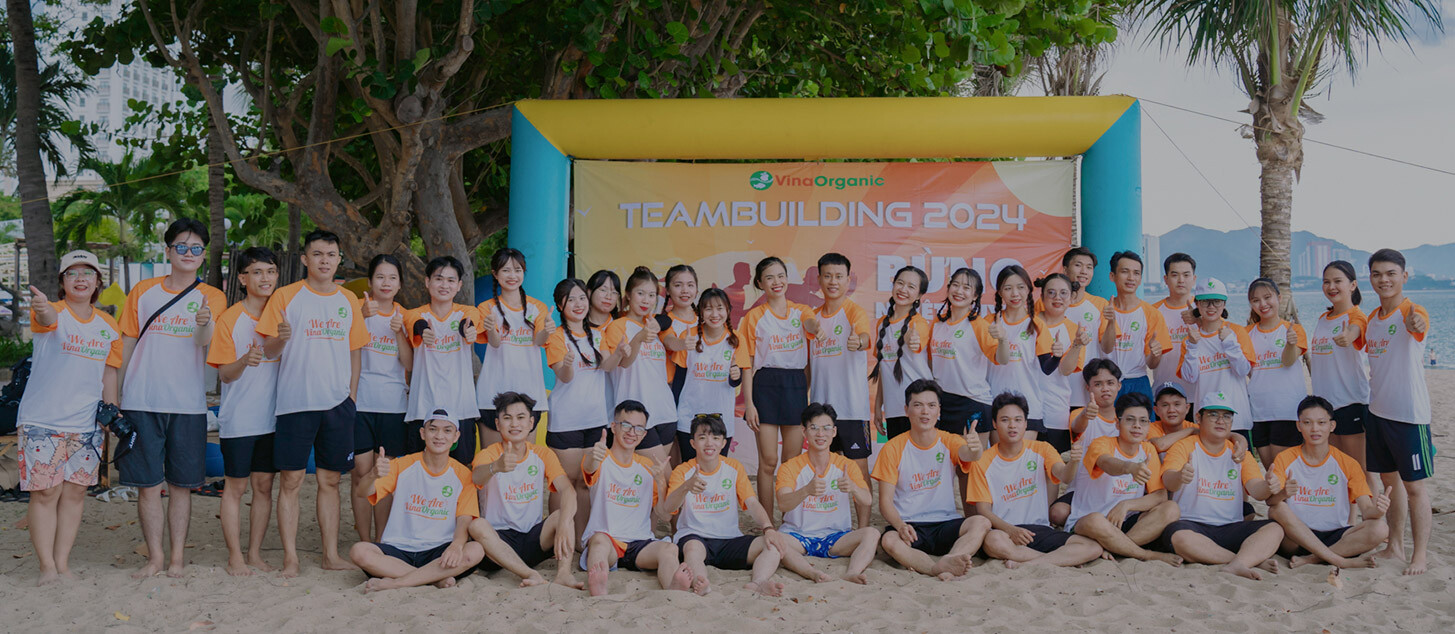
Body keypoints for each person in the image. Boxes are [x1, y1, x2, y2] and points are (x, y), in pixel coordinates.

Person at [117, 218, 228, 578]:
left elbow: (204, 343)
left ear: (203, 255)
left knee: (182, 486)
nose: (188, 253)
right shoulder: (143, 291)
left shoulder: (213, 296)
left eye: (196, 248)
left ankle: (177, 558)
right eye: (181, 246)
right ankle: (155, 558)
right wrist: (116, 396)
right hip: (141, 401)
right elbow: (127, 343)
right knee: (148, 487)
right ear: (168, 251)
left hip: (188, 405)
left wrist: (204, 322)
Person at [257, 230, 369, 576]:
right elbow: (268, 350)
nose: (324, 260)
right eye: (317, 254)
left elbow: (355, 351)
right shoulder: (286, 296)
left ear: (339, 260)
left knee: (331, 481)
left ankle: (330, 555)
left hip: (337, 404)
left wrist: (351, 397)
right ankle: (291, 558)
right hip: (295, 403)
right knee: (291, 480)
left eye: (331, 255)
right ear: (305, 259)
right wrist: (280, 339)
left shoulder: (348, 300)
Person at [19, 250, 122, 585]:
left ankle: (63, 564)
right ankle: (46, 566)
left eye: (87, 273)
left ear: (98, 282)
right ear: (62, 282)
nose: (80, 279)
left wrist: (112, 414)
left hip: (87, 424)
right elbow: (47, 317)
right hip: (43, 421)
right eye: (72, 273)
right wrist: (42, 306)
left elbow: (109, 373)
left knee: (75, 494)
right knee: (46, 493)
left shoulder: (108, 325)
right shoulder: (52, 312)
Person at [205, 247, 281, 575]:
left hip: (274, 420)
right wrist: (245, 360)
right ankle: (234, 556)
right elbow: (224, 374)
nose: (265, 278)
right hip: (240, 419)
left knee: (264, 487)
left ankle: (255, 554)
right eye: (257, 272)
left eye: (271, 271)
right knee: (236, 488)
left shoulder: (283, 315)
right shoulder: (230, 319)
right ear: (242, 278)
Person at [349, 410, 485, 591]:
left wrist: (457, 545)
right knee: (359, 551)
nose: (439, 436)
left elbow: (464, 519)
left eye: (447, 430)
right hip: (399, 549)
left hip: (439, 551)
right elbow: (361, 492)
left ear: (456, 436)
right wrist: (373, 474)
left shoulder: (463, 474)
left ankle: (398, 582)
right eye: (433, 429)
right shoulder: (402, 465)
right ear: (422, 433)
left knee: (476, 550)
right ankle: (433, 579)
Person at [662, 414, 796, 596]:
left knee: (772, 546)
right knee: (692, 550)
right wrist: (686, 486)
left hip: (729, 539)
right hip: (695, 536)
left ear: (723, 443)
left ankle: (758, 583)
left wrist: (768, 528)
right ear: (693, 443)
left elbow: (751, 502)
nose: (709, 443)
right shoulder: (682, 471)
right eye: (702, 437)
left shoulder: (734, 467)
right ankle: (701, 583)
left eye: (715, 438)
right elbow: (669, 508)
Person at [1159, 391, 1285, 580]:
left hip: (1231, 526)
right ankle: (1243, 561)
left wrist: (1269, 485)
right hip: (1192, 524)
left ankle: (1238, 561)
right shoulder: (1184, 446)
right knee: (1179, 537)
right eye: (1213, 415)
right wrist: (1180, 476)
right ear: (1198, 418)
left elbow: (1257, 491)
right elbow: (1168, 480)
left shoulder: (1239, 452)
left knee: (1275, 529)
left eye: (1227, 416)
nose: (1221, 421)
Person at [872, 380, 990, 580]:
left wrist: (976, 449)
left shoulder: (949, 440)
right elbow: (885, 502)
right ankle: (935, 569)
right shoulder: (892, 448)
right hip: (910, 525)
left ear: (939, 411)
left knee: (981, 522)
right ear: (906, 410)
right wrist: (900, 525)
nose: (925, 411)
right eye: (918, 405)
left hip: (945, 522)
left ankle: (951, 559)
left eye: (931, 405)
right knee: (889, 540)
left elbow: (968, 455)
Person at [971, 393, 1104, 568]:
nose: (1012, 425)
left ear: (1026, 423)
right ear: (995, 424)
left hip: (1039, 528)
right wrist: (1011, 530)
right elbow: (983, 510)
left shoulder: (1042, 449)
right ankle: (1056, 559)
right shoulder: (982, 461)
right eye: (1005, 420)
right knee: (993, 541)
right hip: (1004, 530)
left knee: (1092, 547)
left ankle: (1027, 562)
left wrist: (1074, 462)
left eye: (1018, 420)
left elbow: (1064, 476)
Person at [1363, 248, 1432, 575]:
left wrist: (1416, 323)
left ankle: (1420, 555)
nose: (1384, 280)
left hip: (1409, 417)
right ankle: (1395, 546)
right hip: (1378, 413)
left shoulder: (1412, 311)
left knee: (1415, 487)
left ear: (1404, 276)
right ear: (1370, 278)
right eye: (1377, 274)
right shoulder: (1372, 319)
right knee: (1390, 484)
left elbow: (1419, 325)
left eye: (1391, 273)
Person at [468, 392, 582, 589]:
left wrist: (564, 523)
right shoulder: (489, 454)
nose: (514, 424)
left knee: (563, 515)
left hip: (532, 539)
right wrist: (496, 467)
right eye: (507, 418)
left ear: (531, 423)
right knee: (477, 525)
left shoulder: (542, 454)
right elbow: (476, 477)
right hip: (498, 544)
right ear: (497, 424)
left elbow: (568, 491)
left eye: (520, 417)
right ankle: (529, 574)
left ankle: (564, 574)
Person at [580, 400, 694, 596]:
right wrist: (593, 456)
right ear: (613, 427)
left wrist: (660, 481)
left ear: (644, 434)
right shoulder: (601, 458)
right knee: (598, 542)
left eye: (639, 428)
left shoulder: (648, 466)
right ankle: (599, 587)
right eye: (626, 425)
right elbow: (589, 467)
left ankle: (674, 589)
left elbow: (664, 515)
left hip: (640, 543)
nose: (632, 432)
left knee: (669, 549)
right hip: (609, 541)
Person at [1265, 396, 1391, 569]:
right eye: (1307, 423)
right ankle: (1337, 560)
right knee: (1277, 508)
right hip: (1296, 537)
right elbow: (1271, 502)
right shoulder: (1285, 458)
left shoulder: (1348, 463)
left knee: (1380, 529)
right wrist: (1283, 493)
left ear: (1332, 426)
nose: (1314, 429)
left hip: (1336, 537)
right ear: (1299, 426)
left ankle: (1312, 559)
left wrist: (1378, 511)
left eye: (1321, 423)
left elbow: (1367, 511)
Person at [544, 278, 622, 542]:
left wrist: (620, 353)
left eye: (581, 298)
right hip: (566, 421)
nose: (578, 304)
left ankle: (581, 539)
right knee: (563, 483)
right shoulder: (557, 336)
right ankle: (557, 537)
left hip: (595, 420)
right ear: (560, 305)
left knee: (586, 482)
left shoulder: (597, 335)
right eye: (571, 300)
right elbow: (565, 377)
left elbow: (607, 366)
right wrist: (568, 363)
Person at [1066, 393, 1184, 565]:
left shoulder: (1148, 449)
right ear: (1117, 423)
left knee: (1171, 508)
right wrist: (1129, 468)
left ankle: (1115, 547)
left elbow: (1160, 495)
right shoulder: (1101, 443)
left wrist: (1126, 505)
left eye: (1143, 421)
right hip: (1089, 522)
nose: (1137, 426)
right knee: (1096, 521)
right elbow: (1106, 463)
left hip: (1125, 522)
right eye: (1130, 420)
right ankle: (1145, 554)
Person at [739, 257, 817, 516]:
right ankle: (767, 522)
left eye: (781, 275)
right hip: (765, 387)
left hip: (795, 386)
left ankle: (789, 520)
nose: (777, 282)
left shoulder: (801, 311)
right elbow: (747, 364)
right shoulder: (754, 317)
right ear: (760, 283)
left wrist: (816, 327)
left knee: (791, 461)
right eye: (769, 277)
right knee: (768, 461)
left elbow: (810, 324)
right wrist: (749, 404)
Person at [775, 404, 881, 584]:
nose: (820, 434)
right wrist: (806, 490)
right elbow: (783, 503)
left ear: (834, 432)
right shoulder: (790, 466)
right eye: (814, 428)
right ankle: (811, 573)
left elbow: (867, 500)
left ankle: (852, 572)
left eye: (826, 428)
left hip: (836, 537)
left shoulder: (846, 465)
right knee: (773, 541)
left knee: (872, 534)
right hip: (798, 536)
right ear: (804, 432)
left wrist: (853, 487)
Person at [806, 253, 874, 524]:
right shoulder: (811, 318)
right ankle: (830, 525)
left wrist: (859, 341)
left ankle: (864, 528)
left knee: (858, 471)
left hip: (852, 410)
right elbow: (808, 366)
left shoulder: (854, 311)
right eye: (828, 276)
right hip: (821, 412)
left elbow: (864, 336)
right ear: (819, 279)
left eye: (838, 276)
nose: (833, 282)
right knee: (825, 471)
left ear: (848, 280)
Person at [350, 254, 413, 543]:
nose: (386, 283)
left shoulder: (406, 316)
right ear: (370, 281)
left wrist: (399, 332)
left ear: (399, 284)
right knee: (360, 474)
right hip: (360, 403)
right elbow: (341, 348)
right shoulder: (356, 309)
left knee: (385, 476)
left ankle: (382, 542)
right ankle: (365, 540)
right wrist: (362, 317)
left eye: (392, 278)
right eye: (380, 277)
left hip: (394, 406)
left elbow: (409, 364)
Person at [403, 257, 480, 463]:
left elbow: (469, 323)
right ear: (427, 282)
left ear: (459, 285)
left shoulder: (468, 312)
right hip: (423, 408)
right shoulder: (413, 314)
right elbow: (416, 323)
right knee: (419, 470)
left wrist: (467, 330)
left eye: (451, 280)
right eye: (438, 279)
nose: (444, 285)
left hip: (461, 409)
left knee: (462, 471)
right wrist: (424, 330)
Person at [475, 248, 552, 450]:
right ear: (495, 273)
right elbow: (494, 343)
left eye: (517, 270)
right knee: (492, 459)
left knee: (524, 460)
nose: (512, 275)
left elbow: (539, 341)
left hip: (529, 393)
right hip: (493, 393)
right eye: (506, 270)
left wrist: (547, 330)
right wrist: (491, 328)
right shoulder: (486, 307)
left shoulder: (537, 307)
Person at [603, 267, 678, 464]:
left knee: (653, 476)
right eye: (641, 293)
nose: (646, 300)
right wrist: (638, 338)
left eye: (652, 295)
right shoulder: (617, 326)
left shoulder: (656, 325)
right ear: (628, 295)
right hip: (635, 416)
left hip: (665, 412)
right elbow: (624, 363)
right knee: (664, 474)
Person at [1307, 261, 1374, 479]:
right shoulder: (1322, 319)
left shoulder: (1357, 316)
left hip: (1350, 403)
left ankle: (1370, 504)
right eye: (1326, 282)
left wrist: (1348, 336)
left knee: (1360, 471)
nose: (1331, 287)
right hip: (1325, 407)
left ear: (1352, 285)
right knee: (1336, 469)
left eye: (1338, 281)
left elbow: (1354, 331)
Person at [1176, 278, 1256, 446]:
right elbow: (1190, 378)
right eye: (1205, 302)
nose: (1211, 307)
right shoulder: (1190, 339)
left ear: (1224, 304)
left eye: (1217, 301)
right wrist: (1192, 346)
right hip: (1207, 419)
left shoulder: (1236, 331)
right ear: (1197, 304)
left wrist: (1229, 344)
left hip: (1236, 417)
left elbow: (1243, 370)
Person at [671, 288, 747, 462]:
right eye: (708, 309)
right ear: (700, 312)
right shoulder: (689, 336)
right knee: (690, 467)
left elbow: (735, 382)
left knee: (717, 470)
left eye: (720, 308)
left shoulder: (736, 339)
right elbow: (679, 380)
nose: (715, 314)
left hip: (722, 419)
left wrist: (736, 376)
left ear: (728, 310)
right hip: (689, 417)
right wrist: (675, 415)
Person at [1049, 359, 1125, 527]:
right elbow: (1077, 427)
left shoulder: (1128, 418)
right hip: (1082, 487)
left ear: (1119, 385)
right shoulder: (1079, 414)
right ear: (1088, 388)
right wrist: (1086, 414)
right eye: (1098, 384)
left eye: (1110, 383)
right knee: (1057, 513)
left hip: (1119, 487)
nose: (1105, 388)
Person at [985, 265, 1055, 443]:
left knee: (1025, 459)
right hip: (995, 404)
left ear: (1029, 290)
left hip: (1029, 406)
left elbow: (1047, 368)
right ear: (1000, 292)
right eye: (1008, 288)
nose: (1015, 293)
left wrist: (1059, 356)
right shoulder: (988, 323)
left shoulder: (1037, 325)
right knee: (999, 458)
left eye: (1020, 287)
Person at [1245, 278, 1309, 465]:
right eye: (1256, 300)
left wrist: (1290, 343)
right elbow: (1247, 369)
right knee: (1270, 471)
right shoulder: (1246, 333)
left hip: (1287, 410)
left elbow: (1288, 361)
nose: (1263, 304)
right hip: (1258, 411)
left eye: (1267, 297)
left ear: (1279, 298)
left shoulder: (1294, 330)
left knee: (1284, 470)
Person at [1098, 251, 1172, 401]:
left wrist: (1155, 353)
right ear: (1112, 276)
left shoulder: (1152, 314)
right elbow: (1106, 348)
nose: (1131, 278)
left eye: (1136, 273)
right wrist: (1111, 321)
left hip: (1137, 381)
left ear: (1140, 279)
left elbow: (1152, 364)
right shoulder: (1103, 309)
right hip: (1107, 383)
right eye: (1125, 272)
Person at [871, 265, 932, 440]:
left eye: (911, 287)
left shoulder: (918, 323)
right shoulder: (882, 324)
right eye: (900, 283)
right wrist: (878, 407)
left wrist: (912, 339)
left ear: (919, 295)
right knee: (898, 456)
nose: (903, 290)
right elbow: (885, 370)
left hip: (919, 408)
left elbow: (917, 341)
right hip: (893, 409)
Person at [1034, 273, 1092, 452]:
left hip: (1055, 410)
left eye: (1063, 293)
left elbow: (1066, 370)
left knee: (1054, 464)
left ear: (1072, 297)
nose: (1057, 298)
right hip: (1025, 408)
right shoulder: (1029, 323)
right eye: (1051, 293)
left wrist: (1077, 344)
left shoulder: (1075, 330)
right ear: (1042, 295)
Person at [1052, 247, 1108, 413]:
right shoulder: (1048, 304)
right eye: (1078, 265)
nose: (1084, 271)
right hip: (1053, 389)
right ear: (1065, 270)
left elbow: (1107, 347)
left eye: (1089, 267)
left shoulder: (1100, 305)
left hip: (1085, 390)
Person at [1151, 253, 1198, 398]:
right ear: (1166, 279)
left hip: (1198, 394)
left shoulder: (1205, 310)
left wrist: (1199, 319)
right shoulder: (1153, 312)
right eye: (1175, 275)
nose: (1181, 280)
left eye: (1186, 275)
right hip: (1163, 392)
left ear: (1194, 279)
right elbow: (1149, 360)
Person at [658, 264, 699, 404]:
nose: (685, 290)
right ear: (668, 290)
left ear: (696, 290)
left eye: (690, 285)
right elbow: (669, 342)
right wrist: (683, 343)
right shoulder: (664, 321)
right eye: (678, 285)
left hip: (703, 388)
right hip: (674, 391)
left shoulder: (706, 320)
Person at [1148, 383, 1198, 457]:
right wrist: (1190, 430)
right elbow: (1160, 445)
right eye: (1165, 405)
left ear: (1187, 408)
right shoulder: (1149, 428)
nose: (1171, 410)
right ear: (1156, 410)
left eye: (1177, 404)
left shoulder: (1196, 428)